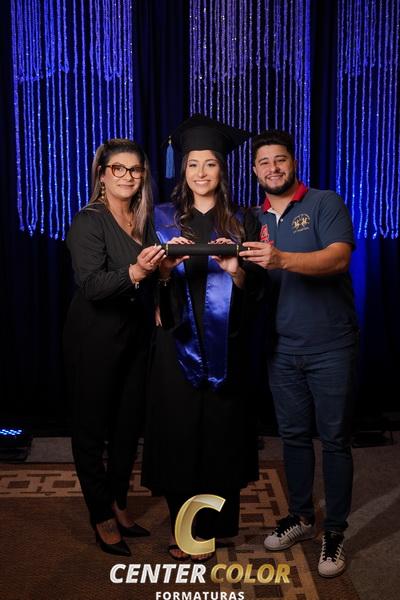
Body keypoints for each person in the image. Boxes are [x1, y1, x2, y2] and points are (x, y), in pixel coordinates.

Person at [141, 114, 262, 561]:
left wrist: (237, 273)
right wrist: (163, 274)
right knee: (179, 433)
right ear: (183, 169)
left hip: (226, 345)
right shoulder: (162, 218)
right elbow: (146, 285)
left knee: (222, 435)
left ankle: (216, 527)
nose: (201, 173)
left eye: (210, 163)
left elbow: (260, 288)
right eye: (193, 164)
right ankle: (185, 531)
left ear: (221, 169)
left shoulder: (244, 220)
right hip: (176, 344)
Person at [240, 129, 358, 577]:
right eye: (264, 162)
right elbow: (248, 284)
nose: (273, 168)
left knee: (335, 439)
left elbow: (339, 258)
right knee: (292, 437)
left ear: (293, 162)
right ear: (255, 171)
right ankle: (302, 517)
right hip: (281, 348)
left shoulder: (325, 202)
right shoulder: (252, 219)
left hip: (331, 345)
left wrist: (281, 259)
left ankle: (335, 531)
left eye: (280, 159)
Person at [63, 138, 165, 556]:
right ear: (102, 175)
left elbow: (155, 273)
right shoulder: (89, 221)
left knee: (127, 427)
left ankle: (119, 503)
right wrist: (136, 272)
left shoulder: (145, 219)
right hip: (94, 337)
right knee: (92, 430)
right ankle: (101, 514)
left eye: (135, 169)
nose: (127, 176)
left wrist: (160, 287)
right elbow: (91, 285)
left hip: (134, 335)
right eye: (118, 169)